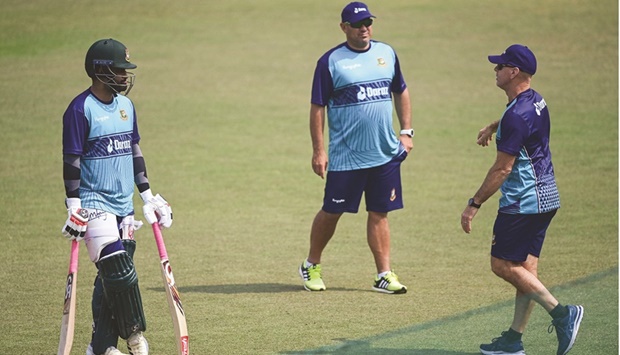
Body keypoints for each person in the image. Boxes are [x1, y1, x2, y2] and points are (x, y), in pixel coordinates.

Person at [460, 44, 583, 355]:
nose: (495, 70)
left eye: (500, 66)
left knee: (502, 264)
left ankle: (562, 313)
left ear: (514, 72)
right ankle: (513, 341)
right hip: (546, 197)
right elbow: (519, 119)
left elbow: (502, 168)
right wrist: (494, 124)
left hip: (523, 202)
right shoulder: (534, 100)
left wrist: (474, 204)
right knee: (527, 272)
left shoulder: (516, 114)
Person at [61, 38, 173, 355]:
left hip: (125, 207)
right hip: (94, 206)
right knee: (121, 274)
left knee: (110, 283)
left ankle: (101, 347)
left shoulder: (126, 107)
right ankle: (135, 338)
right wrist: (74, 207)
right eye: (119, 70)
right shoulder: (80, 109)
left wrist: (149, 196)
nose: (125, 76)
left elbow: (133, 150)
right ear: (100, 70)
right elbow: (72, 161)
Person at [299, 2, 413, 294]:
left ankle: (383, 275)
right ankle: (311, 264)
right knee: (331, 212)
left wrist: (406, 132)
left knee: (379, 213)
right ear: (344, 28)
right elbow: (317, 108)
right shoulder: (330, 62)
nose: (365, 28)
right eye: (358, 24)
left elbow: (400, 90)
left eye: (368, 23)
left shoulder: (386, 53)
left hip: (384, 153)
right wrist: (318, 150)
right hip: (347, 157)